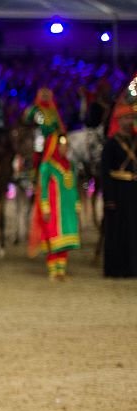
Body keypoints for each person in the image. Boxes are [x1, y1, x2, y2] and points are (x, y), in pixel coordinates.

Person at [29, 133, 81, 281]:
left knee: (65, 239)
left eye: (66, 147)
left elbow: (74, 186)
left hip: (67, 209)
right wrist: (45, 207)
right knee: (53, 238)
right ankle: (53, 271)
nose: (64, 149)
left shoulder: (70, 165)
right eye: (62, 146)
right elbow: (43, 188)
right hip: (54, 209)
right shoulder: (47, 166)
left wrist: (77, 204)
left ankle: (61, 271)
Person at [101, 82, 137, 278]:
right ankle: (116, 269)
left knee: (133, 231)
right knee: (117, 232)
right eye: (126, 117)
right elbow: (105, 172)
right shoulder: (111, 144)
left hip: (133, 189)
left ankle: (132, 267)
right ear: (119, 119)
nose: (129, 121)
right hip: (117, 190)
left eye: (131, 117)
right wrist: (109, 198)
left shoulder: (135, 140)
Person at [23, 87, 65, 171]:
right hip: (39, 135)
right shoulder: (35, 109)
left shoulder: (53, 111)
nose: (45, 97)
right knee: (38, 148)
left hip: (53, 137)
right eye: (43, 95)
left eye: (47, 95)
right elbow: (26, 120)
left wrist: (61, 135)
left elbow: (59, 125)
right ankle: (35, 170)